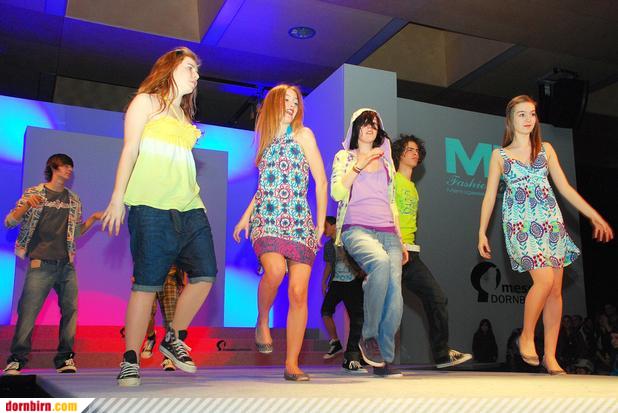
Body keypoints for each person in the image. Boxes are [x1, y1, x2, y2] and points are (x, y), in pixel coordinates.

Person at [102, 47, 217, 386]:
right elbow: (130, 149)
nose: (196, 75)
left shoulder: (183, 116)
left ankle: (173, 336)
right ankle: (130, 358)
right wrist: (117, 198)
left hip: (191, 206)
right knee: (147, 284)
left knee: (205, 274)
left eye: (197, 70)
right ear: (170, 68)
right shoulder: (146, 102)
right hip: (150, 206)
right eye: (190, 68)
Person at [478, 95, 614, 375]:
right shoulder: (499, 156)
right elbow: (490, 196)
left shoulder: (546, 150)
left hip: (551, 223)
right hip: (521, 224)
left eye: (532, 113)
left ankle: (550, 357)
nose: (528, 119)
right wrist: (482, 231)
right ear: (510, 120)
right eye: (521, 114)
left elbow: (565, 188)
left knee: (555, 291)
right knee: (544, 280)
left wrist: (593, 214)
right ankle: (527, 335)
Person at [233, 84, 327, 381]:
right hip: (268, 217)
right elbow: (264, 187)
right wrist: (245, 217)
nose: (291, 105)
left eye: (295, 101)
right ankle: (262, 319)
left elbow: (321, 182)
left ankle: (291, 364)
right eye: (286, 100)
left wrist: (320, 225)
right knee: (274, 271)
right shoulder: (265, 140)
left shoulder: (304, 135)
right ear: (274, 103)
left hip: (299, 220)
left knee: (298, 292)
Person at [3, 154, 102, 375]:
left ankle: (65, 358)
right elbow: (9, 222)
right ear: (53, 167)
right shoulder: (34, 193)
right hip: (40, 264)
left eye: (71, 167)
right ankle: (17, 359)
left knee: (70, 311)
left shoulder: (73, 199)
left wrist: (93, 219)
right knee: (28, 312)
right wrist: (26, 206)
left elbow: (75, 232)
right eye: (65, 165)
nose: (69, 170)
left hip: (66, 265)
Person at [330, 108, 408, 378]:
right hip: (356, 228)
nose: (370, 127)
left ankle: (383, 360)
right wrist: (359, 164)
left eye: (375, 123)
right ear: (355, 128)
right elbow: (337, 192)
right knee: (380, 264)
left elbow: (392, 202)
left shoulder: (387, 162)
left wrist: (401, 239)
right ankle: (369, 336)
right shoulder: (344, 157)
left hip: (388, 232)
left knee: (395, 295)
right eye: (365, 122)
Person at [391, 134, 473, 368]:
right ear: (398, 154)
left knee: (437, 297)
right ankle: (355, 353)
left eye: (417, 150)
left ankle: (441, 355)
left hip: (411, 253)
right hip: (392, 250)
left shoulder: (412, 187)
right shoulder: (391, 180)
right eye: (409, 149)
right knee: (382, 304)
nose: (414, 153)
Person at [320, 216, 366, 373]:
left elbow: (360, 257)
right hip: (336, 282)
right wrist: (323, 282)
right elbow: (328, 265)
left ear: (334, 226)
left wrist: (362, 272)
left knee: (356, 318)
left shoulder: (347, 239)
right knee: (325, 311)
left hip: (352, 282)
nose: (324, 230)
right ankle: (335, 342)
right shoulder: (328, 246)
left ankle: (354, 355)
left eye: (326, 226)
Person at [140, 265, 186, 371]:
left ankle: (168, 357)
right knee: (146, 313)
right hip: (148, 276)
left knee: (171, 317)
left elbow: (184, 257)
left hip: (170, 276)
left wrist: (183, 280)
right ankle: (151, 337)